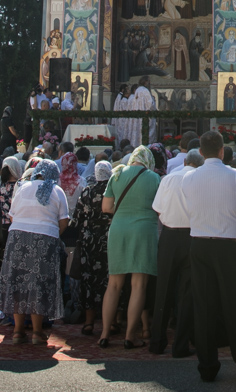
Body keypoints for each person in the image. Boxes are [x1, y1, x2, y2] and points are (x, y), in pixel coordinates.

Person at [180, 130, 236, 381]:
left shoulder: (188, 178)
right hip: (229, 246)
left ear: (201, 152)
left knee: (204, 307)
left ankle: (207, 367)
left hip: (200, 244)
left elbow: (190, 208)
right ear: (222, 151)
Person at [0, 159, 70, 345]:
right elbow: (63, 222)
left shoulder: (23, 188)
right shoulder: (57, 191)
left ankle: (18, 331)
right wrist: (52, 233)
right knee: (39, 284)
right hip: (45, 240)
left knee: (18, 283)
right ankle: (37, 333)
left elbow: (12, 216)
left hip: (18, 238)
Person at [101, 145, 161, 348]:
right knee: (139, 285)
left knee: (113, 285)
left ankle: (104, 334)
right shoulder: (154, 178)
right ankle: (130, 336)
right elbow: (160, 209)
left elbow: (106, 207)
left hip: (118, 229)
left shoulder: (117, 175)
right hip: (144, 230)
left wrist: (125, 210)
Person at [149, 149, 201, 356]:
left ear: (185, 161)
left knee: (163, 289)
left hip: (169, 236)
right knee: (187, 292)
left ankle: (156, 342)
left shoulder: (169, 179)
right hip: (192, 236)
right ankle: (181, 345)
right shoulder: (199, 180)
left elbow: (158, 208)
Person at [70, 161, 115, 339]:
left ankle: (89, 323)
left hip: (88, 241)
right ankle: (111, 322)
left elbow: (76, 219)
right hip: (108, 239)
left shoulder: (87, 191)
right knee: (110, 280)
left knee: (89, 280)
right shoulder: (112, 191)